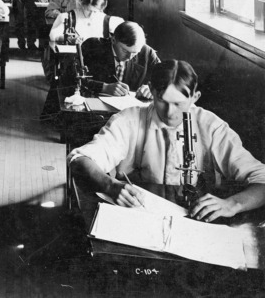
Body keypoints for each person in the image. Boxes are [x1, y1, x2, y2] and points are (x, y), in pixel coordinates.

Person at [69, 60, 265, 222]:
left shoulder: (212, 127)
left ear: (195, 97)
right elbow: (79, 160)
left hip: (197, 222)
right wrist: (110, 186)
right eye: (162, 100)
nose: (170, 113)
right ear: (151, 91)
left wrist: (232, 204)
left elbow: (262, 179)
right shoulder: (129, 120)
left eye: (178, 104)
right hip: (137, 217)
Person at [79, 21, 161, 99]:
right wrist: (104, 87)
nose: (129, 57)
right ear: (113, 40)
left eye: (135, 53)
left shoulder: (147, 53)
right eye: (125, 51)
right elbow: (73, 80)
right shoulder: (92, 46)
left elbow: (166, 79)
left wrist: (153, 88)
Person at [48, 0, 122, 45]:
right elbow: (53, 36)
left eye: (95, 12)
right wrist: (69, 39)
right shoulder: (69, 16)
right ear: (83, 5)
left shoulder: (108, 21)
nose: (91, 14)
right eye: (88, 10)